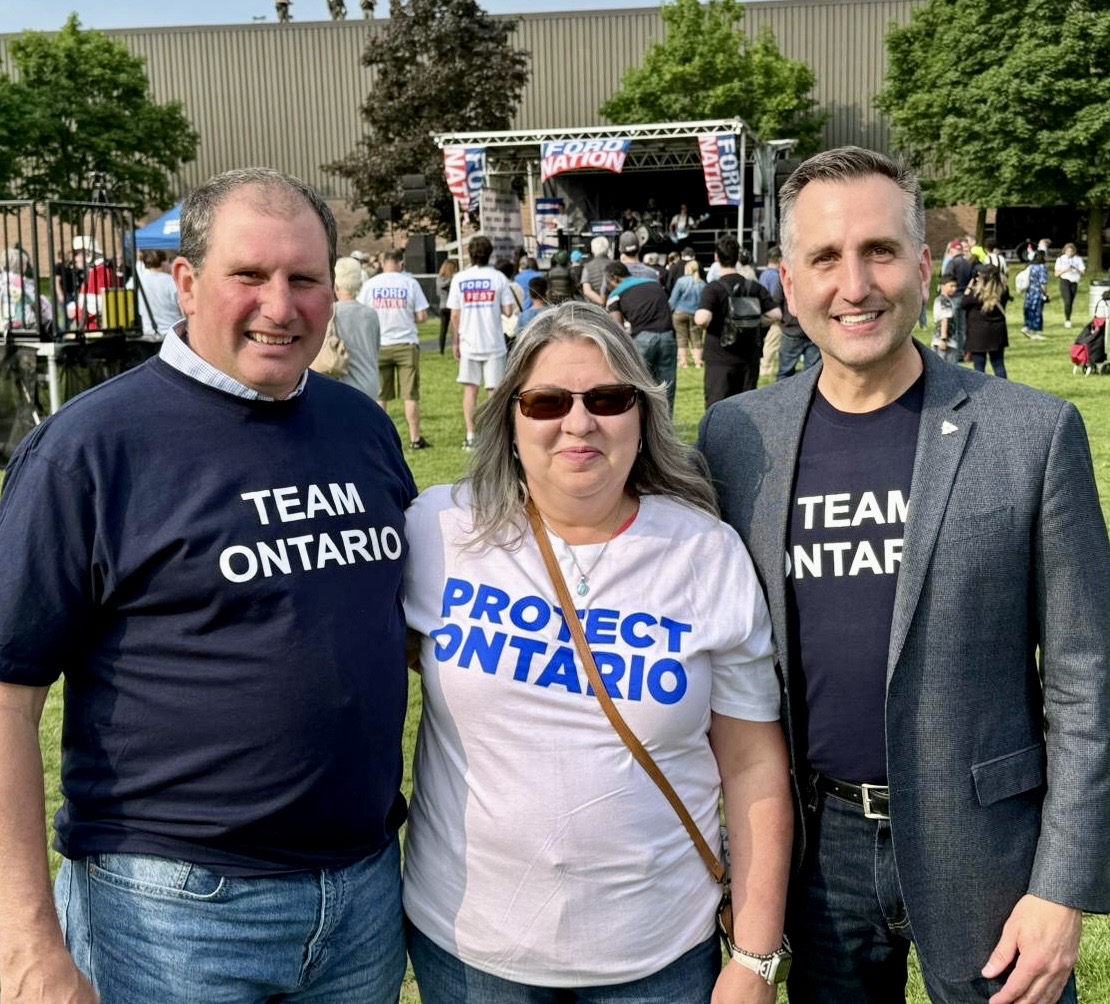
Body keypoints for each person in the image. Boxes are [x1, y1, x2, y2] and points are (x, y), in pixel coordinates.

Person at [698, 145, 1110, 1004]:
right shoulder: (737, 438)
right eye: (825, 258)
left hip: (990, 842)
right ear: (787, 278)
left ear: (924, 266)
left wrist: (1064, 887)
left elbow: (1086, 678)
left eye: (880, 251)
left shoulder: (1030, 433)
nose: (856, 284)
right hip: (815, 854)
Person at [0, 167, 417, 1003]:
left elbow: (404, 627)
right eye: (249, 276)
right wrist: (24, 941)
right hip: (172, 916)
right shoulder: (92, 448)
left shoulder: (359, 426)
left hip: (364, 894)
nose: (281, 304)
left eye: (304, 279)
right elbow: (8, 695)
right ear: (186, 283)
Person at [403, 301, 793, 1004]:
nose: (578, 422)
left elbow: (753, 764)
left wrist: (756, 957)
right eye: (547, 401)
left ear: (642, 418)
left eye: (607, 399)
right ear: (510, 420)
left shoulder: (705, 552)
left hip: (659, 956)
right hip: (470, 953)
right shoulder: (439, 531)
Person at [694, 235, 780, 408]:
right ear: (737, 258)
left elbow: (702, 319)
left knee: (717, 409)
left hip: (720, 359)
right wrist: (754, 322)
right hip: (749, 358)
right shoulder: (753, 286)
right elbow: (776, 314)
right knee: (747, 410)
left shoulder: (713, 288)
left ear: (716, 258)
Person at [360, 246, 431, 450]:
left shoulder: (370, 284)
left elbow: (362, 312)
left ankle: (381, 439)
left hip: (379, 344)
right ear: (401, 263)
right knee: (410, 395)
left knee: (381, 396)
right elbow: (422, 316)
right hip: (406, 343)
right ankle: (415, 438)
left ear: (383, 263)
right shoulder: (410, 283)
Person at [449, 235, 515, 451]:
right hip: (493, 341)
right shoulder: (498, 278)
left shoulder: (459, 278)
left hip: (469, 341)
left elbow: (455, 315)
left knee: (470, 390)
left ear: (470, 253)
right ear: (490, 254)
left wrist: (455, 342)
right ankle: (495, 436)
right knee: (495, 392)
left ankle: (471, 435)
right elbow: (508, 310)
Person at [605, 260, 678, 414]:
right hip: (668, 337)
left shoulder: (615, 295)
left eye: (607, 282)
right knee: (667, 389)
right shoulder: (654, 284)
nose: (607, 286)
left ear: (614, 278)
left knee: (639, 388)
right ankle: (665, 426)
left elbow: (617, 329)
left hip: (643, 339)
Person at [333, 255, 382, 399]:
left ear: (336, 285)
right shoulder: (370, 314)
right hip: (370, 382)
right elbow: (376, 347)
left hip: (342, 383)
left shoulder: (331, 314)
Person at [962, 264, 1010, 378]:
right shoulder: (1003, 290)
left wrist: (969, 287)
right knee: (998, 364)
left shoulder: (976, 294)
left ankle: (981, 393)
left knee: (979, 366)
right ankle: (1004, 390)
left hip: (978, 333)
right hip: (997, 331)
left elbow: (963, 303)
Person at [134, 249, 181, 339]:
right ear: (163, 262)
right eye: (169, 261)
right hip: (172, 334)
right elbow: (183, 309)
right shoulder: (172, 282)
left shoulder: (137, 283)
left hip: (148, 335)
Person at [669, 256, 706, 369]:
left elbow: (674, 299)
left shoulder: (681, 281)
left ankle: (683, 362)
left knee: (681, 338)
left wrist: (670, 310)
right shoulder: (702, 283)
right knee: (697, 339)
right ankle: (698, 361)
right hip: (695, 314)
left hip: (680, 313)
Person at [759, 247, 785, 377]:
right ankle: (766, 368)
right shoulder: (776, 277)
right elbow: (776, 298)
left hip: (764, 313)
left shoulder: (764, 274)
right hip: (775, 315)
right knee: (772, 341)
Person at [931, 273, 961, 364]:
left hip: (941, 341)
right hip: (947, 343)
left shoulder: (943, 300)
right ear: (943, 286)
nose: (954, 288)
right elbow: (945, 319)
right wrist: (943, 339)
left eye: (955, 286)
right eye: (951, 286)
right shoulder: (945, 301)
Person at [1053, 242, 1085, 329]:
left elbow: (1083, 272)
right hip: (1065, 281)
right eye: (1068, 251)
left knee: (1071, 302)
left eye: (1071, 251)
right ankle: (1067, 320)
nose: (1070, 253)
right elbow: (1056, 274)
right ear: (1065, 251)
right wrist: (1066, 270)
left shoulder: (1078, 259)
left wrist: (1076, 269)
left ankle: (1069, 317)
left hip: (1074, 282)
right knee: (1067, 301)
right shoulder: (1061, 259)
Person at [1022, 249, 1050, 339]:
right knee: (1037, 311)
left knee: (1029, 309)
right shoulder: (1042, 267)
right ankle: (1035, 331)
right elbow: (1043, 282)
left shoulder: (1031, 266)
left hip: (1030, 291)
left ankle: (1027, 326)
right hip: (1038, 292)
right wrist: (1045, 293)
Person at [580, 235, 612, 306]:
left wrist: (601, 301)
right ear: (607, 249)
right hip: (613, 304)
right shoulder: (615, 264)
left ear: (592, 250)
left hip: (595, 306)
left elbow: (587, 291)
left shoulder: (587, 267)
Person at [436, 257, 458, 354]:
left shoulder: (439, 279)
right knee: (453, 329)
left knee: (444, 329)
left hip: (443, 306)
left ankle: (442, 349)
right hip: (449, 306)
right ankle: (452, 347)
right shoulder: (451, 280)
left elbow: (438, 292)